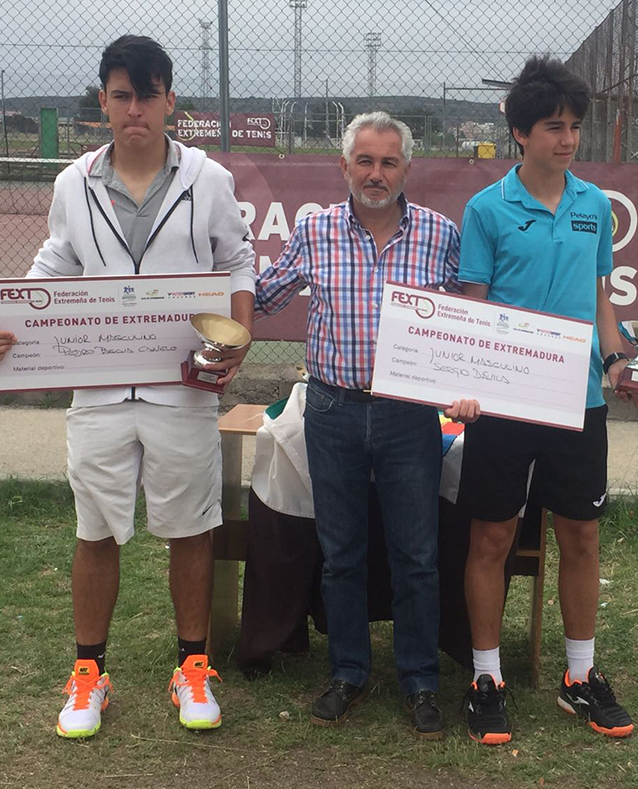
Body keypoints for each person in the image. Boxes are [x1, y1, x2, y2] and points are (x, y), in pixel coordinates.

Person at [0, 35, 256, 738]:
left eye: (149, 94)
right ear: (103, 101)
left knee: (190, 525)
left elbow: (239, 259)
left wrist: (241, 335)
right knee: (95, 527)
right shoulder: (73, 182)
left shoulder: (209, 179)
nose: (136, 109)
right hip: (97, 389)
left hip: (182, 387)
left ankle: (192, 666)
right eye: (122, 95)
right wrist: (11, 324)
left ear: (170, 102)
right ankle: (89, 673)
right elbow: (55, 260)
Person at [254, 111, 477, 739]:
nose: (376, 174)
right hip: (333, 410)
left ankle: (420, 680)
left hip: (410, 419)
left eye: (388, 162)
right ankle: (348, 671)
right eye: (365, 161)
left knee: (418, 556)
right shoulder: (315, 231)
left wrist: (467, 387)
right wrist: (196, 294)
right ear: (344, 165)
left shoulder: (440, 235)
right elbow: (263, 296)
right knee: (342, 554)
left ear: (408, 168)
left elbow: (469, 324)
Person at [457, 55, 638, 745]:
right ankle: (485, 675)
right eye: (552, 127)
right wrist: (467, 387)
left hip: (579, 400)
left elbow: (602, 302)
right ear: (520, 134)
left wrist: (618, 353)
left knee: (581, 535)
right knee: (493, 535)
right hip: (505, 403)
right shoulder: (486, 209)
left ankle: (579, 675)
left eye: (574, 127)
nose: (567, 140)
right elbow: (472, 308)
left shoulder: (595, 206)